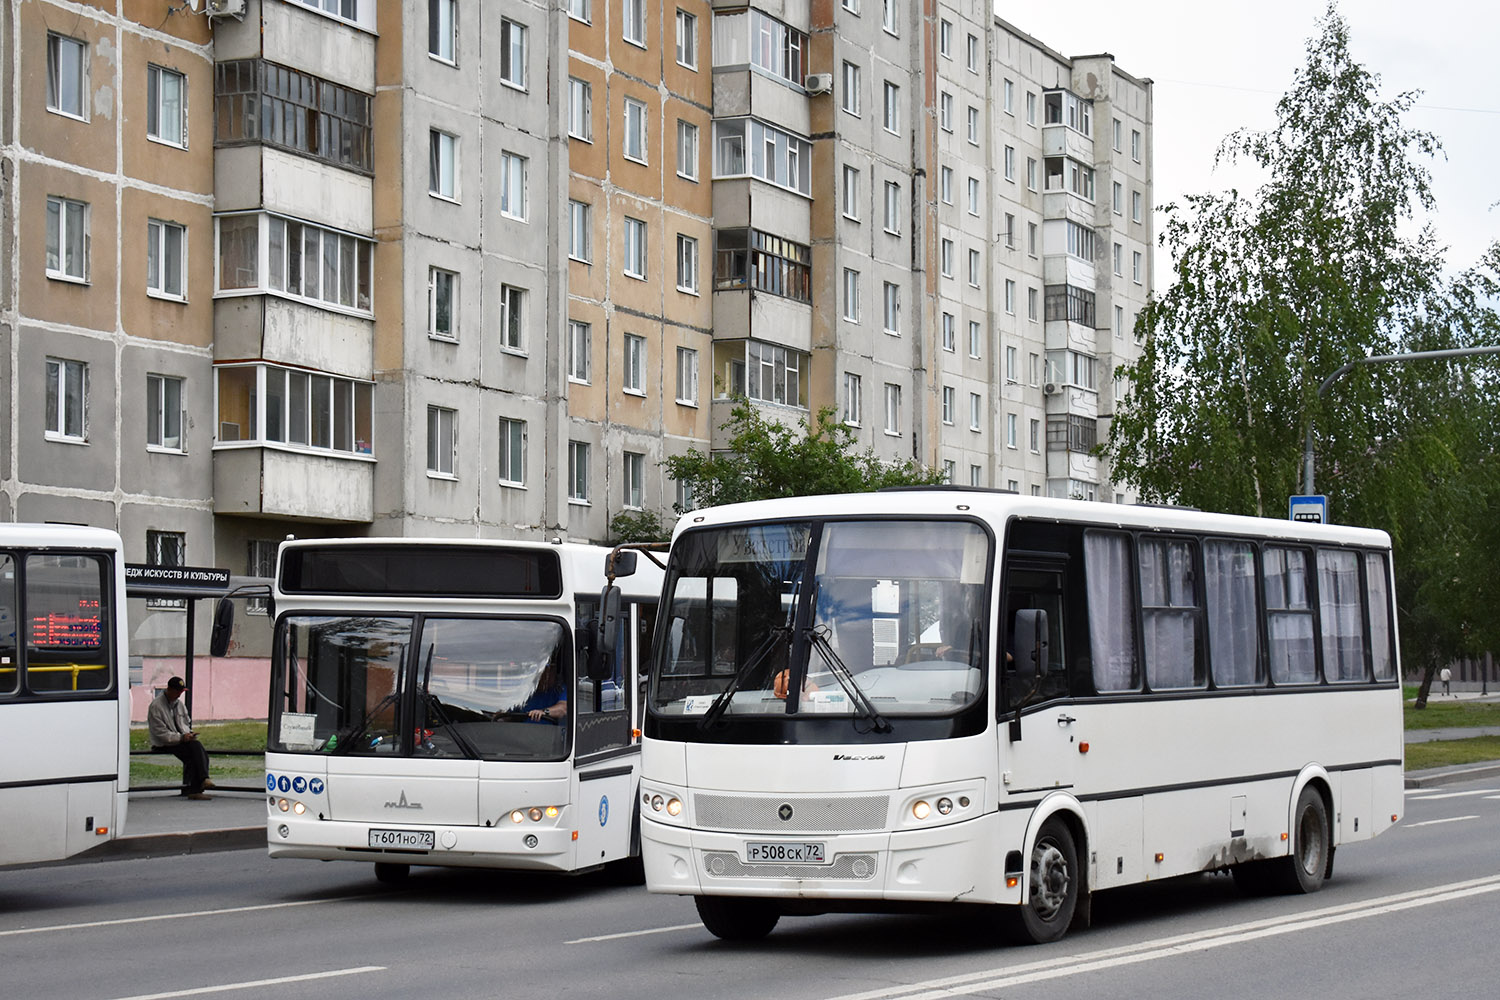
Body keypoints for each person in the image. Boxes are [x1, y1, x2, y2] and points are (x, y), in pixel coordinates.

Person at [147, 676, 213, 799]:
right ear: (169, 689)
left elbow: (185, 722)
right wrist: (181, 738)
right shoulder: (156, 706)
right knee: (193, 754)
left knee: (196, 747)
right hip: (164, 743)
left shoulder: (179, 704)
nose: (179, 695)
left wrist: (188, 734)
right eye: (177, 692)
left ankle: (199, 785)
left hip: (181, 740)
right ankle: (198, 785)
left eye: (181, 692)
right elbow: (160, 734)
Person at [517, 654, 568, 723]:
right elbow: (510, 714)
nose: (542, 675)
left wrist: (543, 712)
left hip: (551, 732)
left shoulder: (561, 689)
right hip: (522, 731)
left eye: (546, 670)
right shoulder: (525, 692)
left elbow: (563, 709)